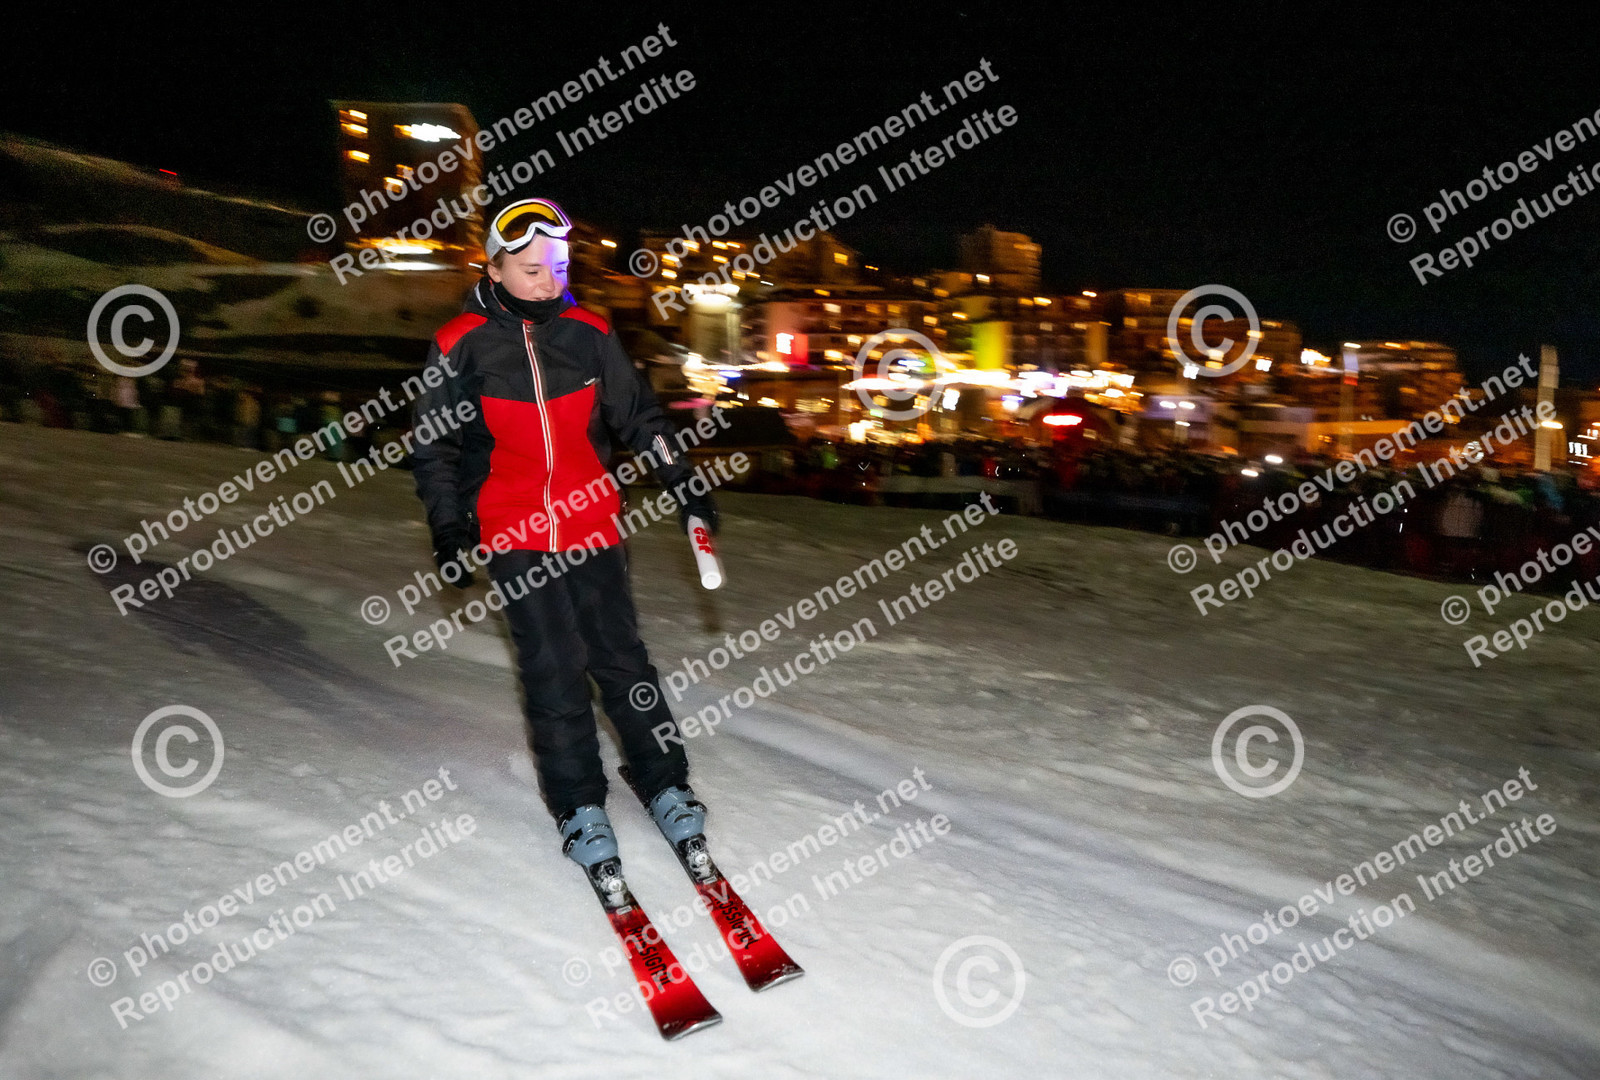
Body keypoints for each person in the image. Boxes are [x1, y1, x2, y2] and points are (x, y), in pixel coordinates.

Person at [410, 197, 719, 875]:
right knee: (553, 666)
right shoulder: (460, 343)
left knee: (621, 660)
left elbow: (640, 419)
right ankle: (579, 802)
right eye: (531, 270)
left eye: (558, 267)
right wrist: (448, 527)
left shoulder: (589, 333)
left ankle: (664, 781)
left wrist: (685, 486)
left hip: (593, 522)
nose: (550, 283)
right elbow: (434, 448)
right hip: (513, 530)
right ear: (493, 269)